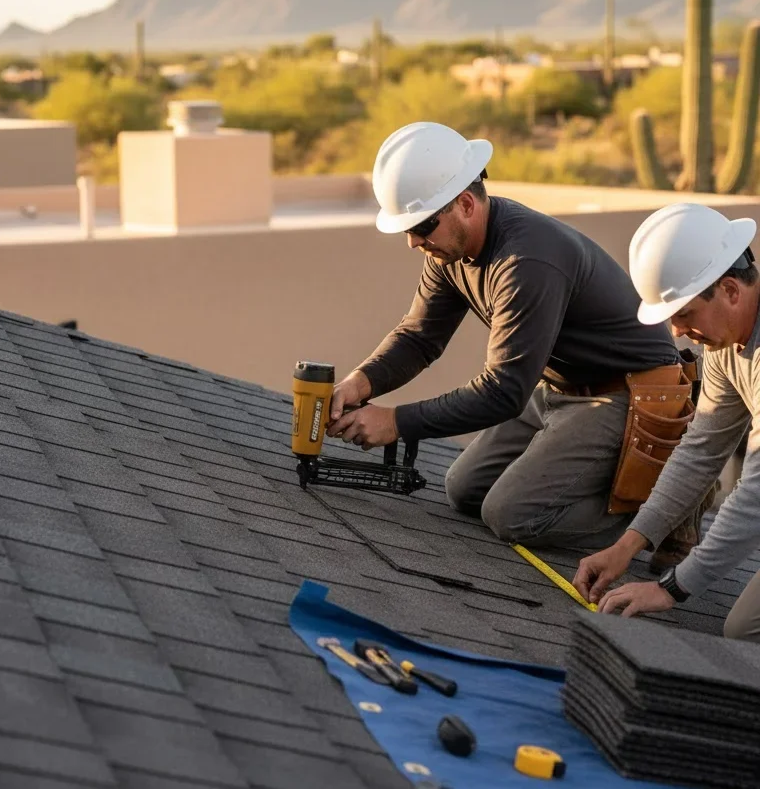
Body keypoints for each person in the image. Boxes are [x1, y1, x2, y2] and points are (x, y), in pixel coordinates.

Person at [326, 121, 693, 552]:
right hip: (561, 389)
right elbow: (420, 336)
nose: (412, 242)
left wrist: (395, 422)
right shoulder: (449, 251)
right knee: (464, 490)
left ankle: (669, 506)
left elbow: (503, 392)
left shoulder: (527, 259)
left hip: (631, 394)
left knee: (512, 515)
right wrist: (359, 383)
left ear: (465, 203)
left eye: (422, 226)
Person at [573, 203, 760, 641]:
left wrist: (671, 589)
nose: (676, 332)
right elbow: (699, 453)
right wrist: (627, 547)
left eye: (684, 313)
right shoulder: (724, 347)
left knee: (745, 634)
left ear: (731, 291)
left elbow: (756, 493)